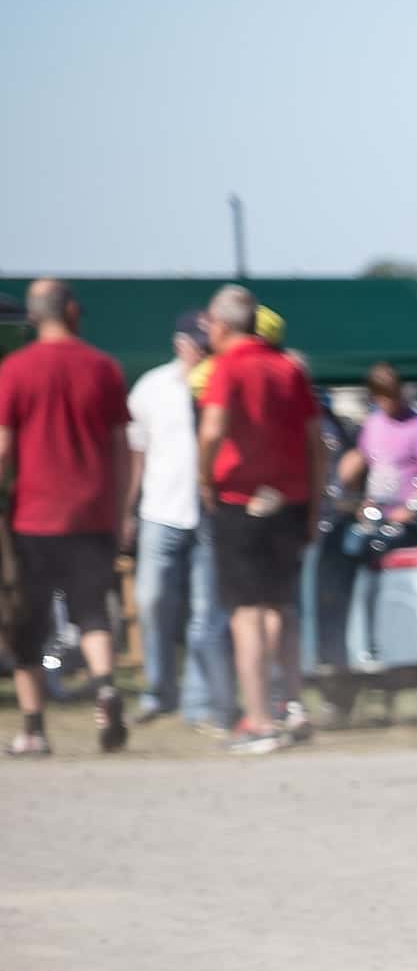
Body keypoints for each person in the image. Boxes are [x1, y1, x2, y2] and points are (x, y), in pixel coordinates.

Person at [0, 279, 139, 756]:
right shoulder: (103, 368)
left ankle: (34, 730)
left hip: (34, 515)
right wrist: (121, 509)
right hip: (93, 513)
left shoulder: (15, 370)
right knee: (92, 612)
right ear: (74, 311)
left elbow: (2, 448)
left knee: (28, 625)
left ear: (34, 317)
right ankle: (104, 686)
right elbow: (122, 447)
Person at [191, 284, 329, 754]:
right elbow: (317, 445)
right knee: (276, 609)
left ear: (223, 325)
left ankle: (258, 718)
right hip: (288, 500)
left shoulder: (226, 367)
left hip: (240, 500)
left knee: (246, 614)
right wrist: (314, 506)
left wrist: (204, 479)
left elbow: (212, 431)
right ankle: (287, 702)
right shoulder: (289, 368)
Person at [124, 314, 231, 731]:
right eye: (195, 342)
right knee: (152, 601)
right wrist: (127, 511)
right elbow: (137, 454)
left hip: (209, 511)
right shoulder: (151, 387)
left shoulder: (222, 380)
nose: (201, 349)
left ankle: (199, 700)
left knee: (206, 611)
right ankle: (159, 690)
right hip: (160, 510)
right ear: (179, 343)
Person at [342, 364, 417, 515]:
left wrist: (411, 508)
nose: (390, 401)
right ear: (374, 396)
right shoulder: (372, 423)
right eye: (383, 396)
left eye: (393, 394)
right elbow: (363, 461)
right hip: (376, 511)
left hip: (409, 514)